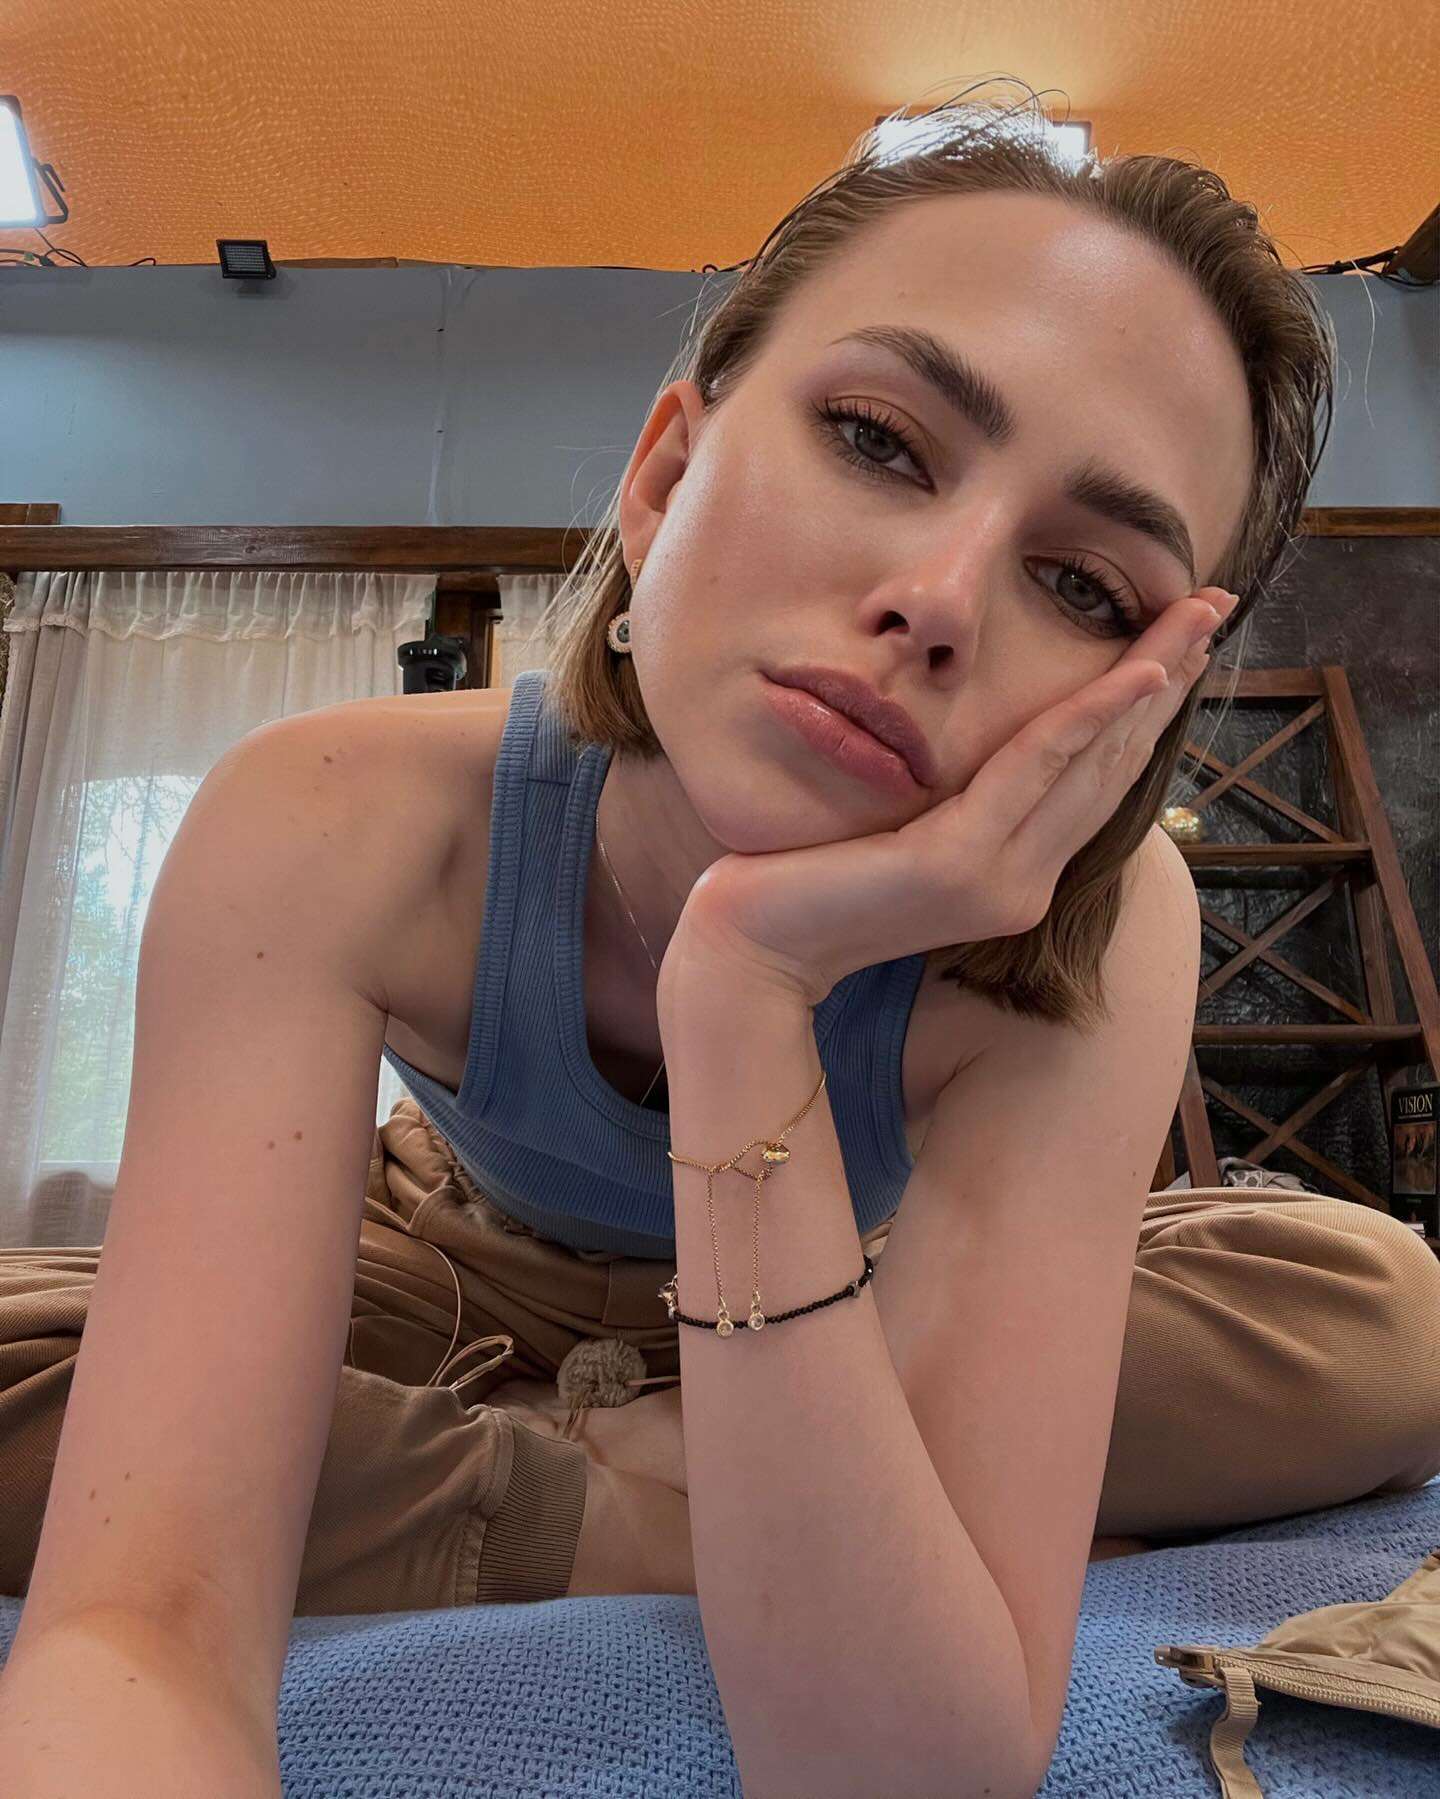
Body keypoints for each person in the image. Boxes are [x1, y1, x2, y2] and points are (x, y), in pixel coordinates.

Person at [3, 81, 1439, 1797]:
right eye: (881, 442)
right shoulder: (329, 813)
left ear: (1141, 702)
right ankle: (621, 1488)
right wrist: (713, 1503)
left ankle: (636, 1445)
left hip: (862, 1276)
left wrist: (749, 987)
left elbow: (904, 1771)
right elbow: (139, 1632)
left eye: (1086, 587)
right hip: (457, 1266)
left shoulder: (1109, 923)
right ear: (667, 475)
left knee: (1387, 1324)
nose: (940, 600)